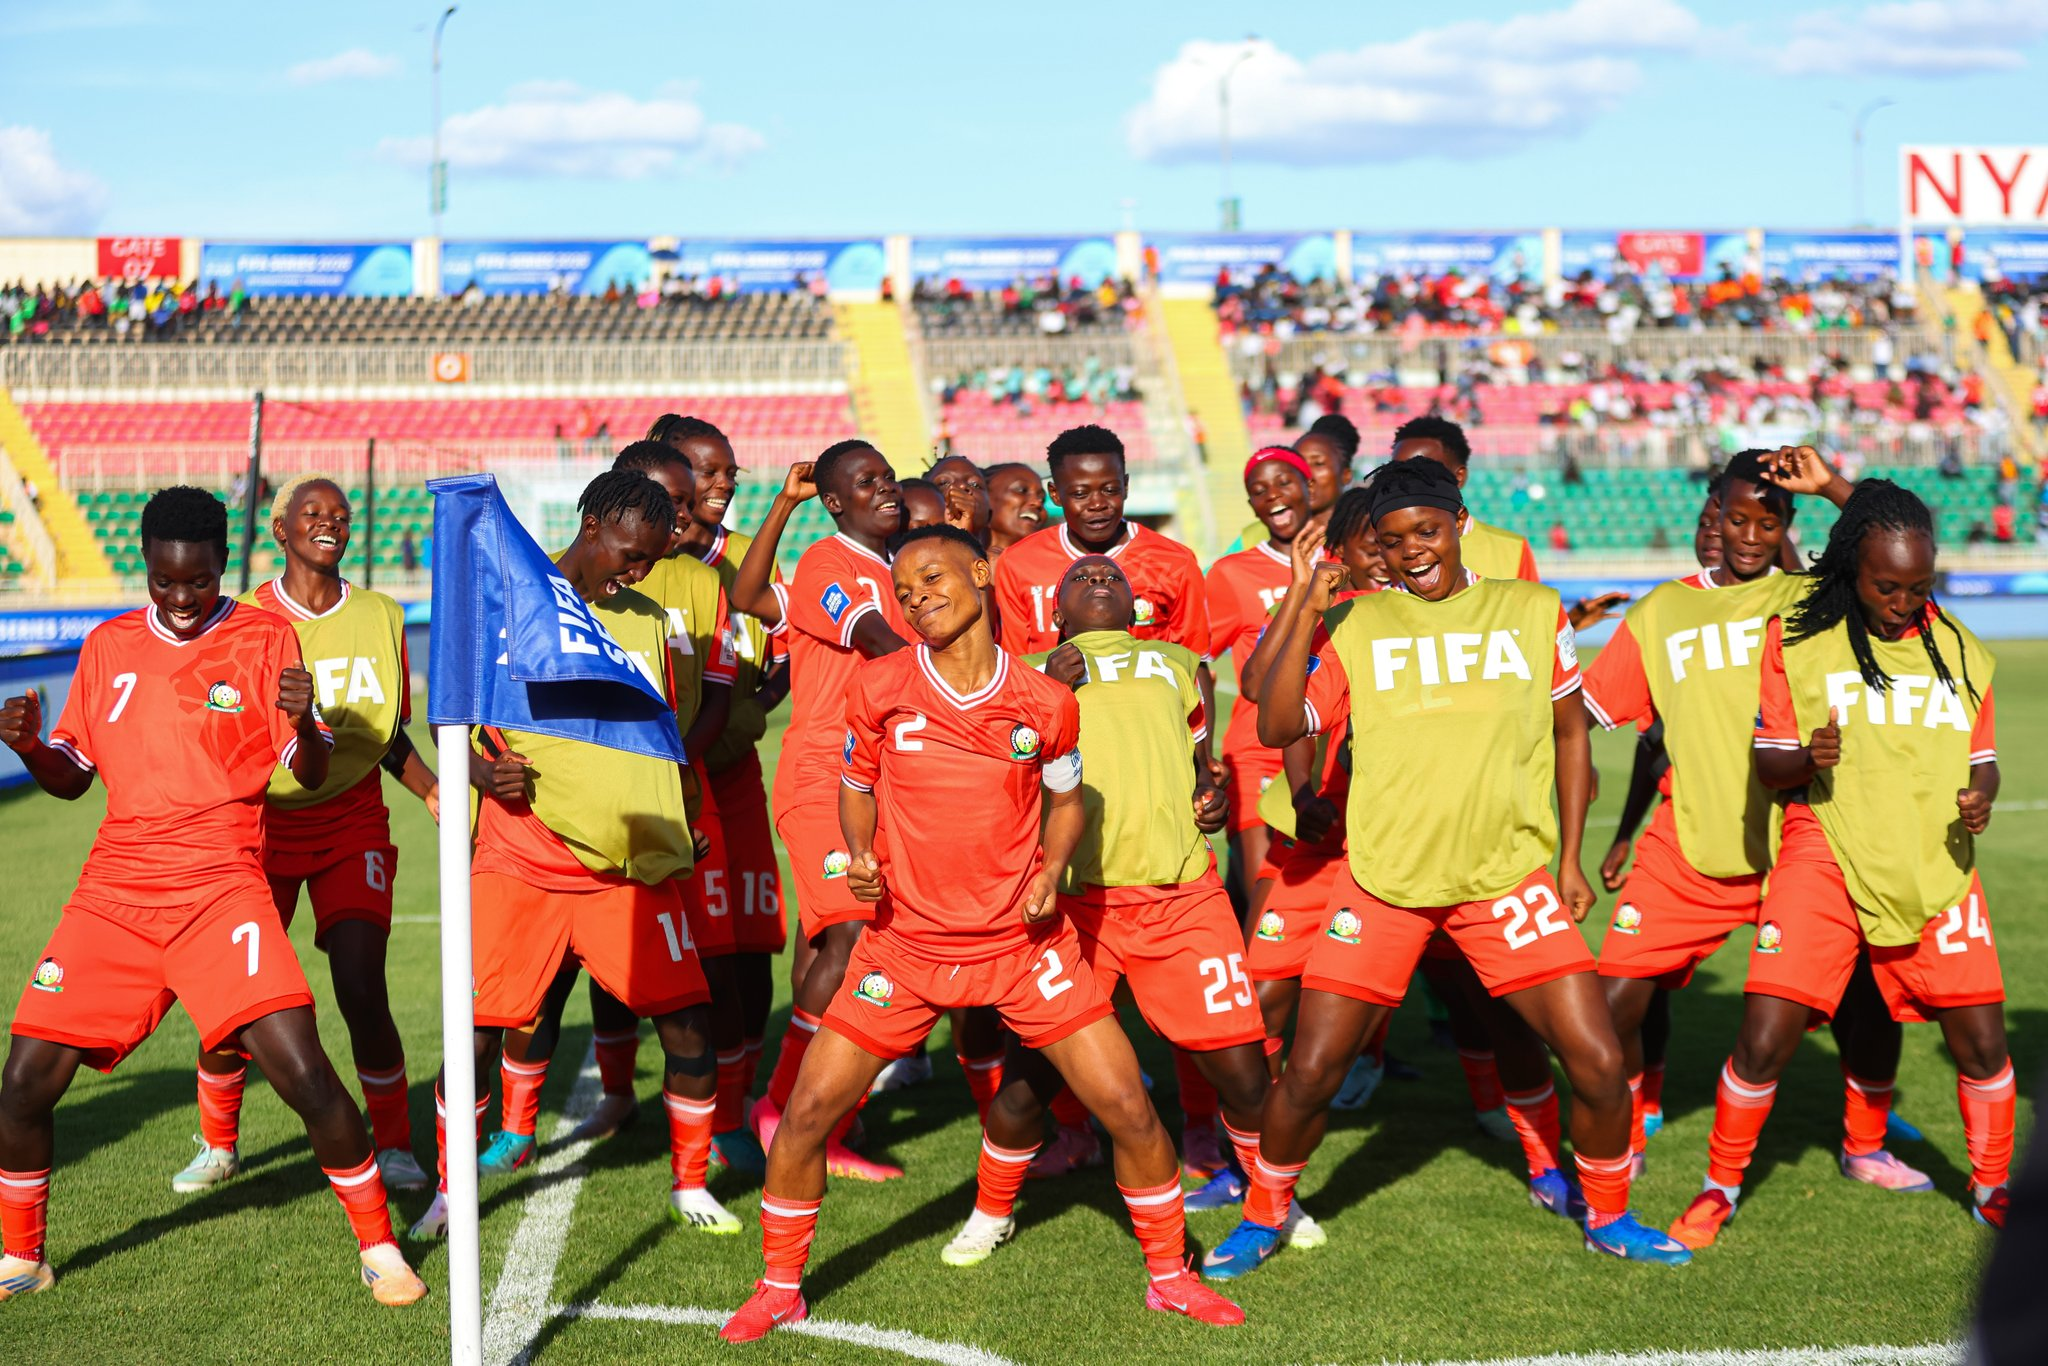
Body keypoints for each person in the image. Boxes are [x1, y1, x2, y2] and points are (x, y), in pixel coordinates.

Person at [719, 527, 1244, 1341]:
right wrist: (860, 855)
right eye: (903, 586)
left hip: (1023, 951)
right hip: (905, 948)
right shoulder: (881, 686)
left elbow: (1068, 799)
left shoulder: (1045, 702)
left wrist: (1050, 870)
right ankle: (779, 1286)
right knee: (806, 1115)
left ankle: (1170, 1278)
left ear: (983, 572)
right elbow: (855, 786)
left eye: (933, 576)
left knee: (1132, 1112)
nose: (917, 594)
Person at [1207, 460, 1691, 1278]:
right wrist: (1304, 601)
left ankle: (1609, 1215)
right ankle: (1264, 1214)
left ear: (1460, 523)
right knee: (1315, 1071)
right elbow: (1280, 715)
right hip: (1384, 884)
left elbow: (1571, 737)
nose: (1411, 553)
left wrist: (1569, 857)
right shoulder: (1360, 622)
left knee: (1601, 1061)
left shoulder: (1533, 611)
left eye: (1425, 533)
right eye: (1392, 542)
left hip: (1504, 878)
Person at [0, 486, 425, 1305]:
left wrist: (306, 726)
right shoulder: (107, 647)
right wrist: (27, 747)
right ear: (148, 569)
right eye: (166, 582)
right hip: (114, 895)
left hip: (222, 890)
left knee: (303, 1071)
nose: (183, 599)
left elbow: (305, 769)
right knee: (23, 1082)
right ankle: (22, 1255)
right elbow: (72, 777)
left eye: (197, 581)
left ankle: (379, 1246)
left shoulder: (268, 638)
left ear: (223, 564)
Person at [1580, 450, 1940, 1190]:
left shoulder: (1815, 600)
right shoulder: (1661, 610)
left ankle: (1865, 1141)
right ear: (1712, 514)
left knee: (1864, 1000)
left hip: (1810, 849)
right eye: (1733, 516)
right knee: (1610, 1002)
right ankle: (1622, 1125)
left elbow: (1889, 546)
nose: (1745, 533)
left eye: (1765, 519)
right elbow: (1583, 717)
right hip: (1690, 849)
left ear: (1785, 524)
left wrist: (1833, 484)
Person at [1669, 481, 2013, 1247]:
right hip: (1822, 851)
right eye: (1886, 586)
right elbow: (1769, 764)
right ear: (1852, 571)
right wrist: (1805, 758)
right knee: (1764, 1034)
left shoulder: (1961, 649)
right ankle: (1718, 1189)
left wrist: (1980, 796)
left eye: (1919, 586)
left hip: (1935, 859)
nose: (1902, 600)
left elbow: (1983, 758)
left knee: (1982, 1042)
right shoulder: (1797, 640)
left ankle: (1992, 1188)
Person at [940, 554, 1293, 1266]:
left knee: (1245, 1072)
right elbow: (987, 771)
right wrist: (1041, 687)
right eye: (1080, 577)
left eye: (1112, 576)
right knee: (1030, 1078)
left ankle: (1274, 1205)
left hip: (1182, 900)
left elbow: (1201, 769)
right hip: (1072, 909)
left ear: (1135, 602)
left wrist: (1210, 798)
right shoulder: (1022, 669)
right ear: (1056, 611)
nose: (1099, 578)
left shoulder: (1181, 663)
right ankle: (990, 1210)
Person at [409, 471, 730, 1240]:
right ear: (591, 525)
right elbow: (456, 717)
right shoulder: (508, 601)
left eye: (653, 558)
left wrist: (677, 815)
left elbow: (656, 737)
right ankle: (453, 1190)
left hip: (623, 865)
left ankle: (690, 1183)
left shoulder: (648, 619)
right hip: (522, 859)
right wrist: (482, 773)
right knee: (476, 1032)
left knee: (688, 1028)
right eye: (630, 551)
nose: (638, 571)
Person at [175, 476, 440, 1199]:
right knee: (235, 995)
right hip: (256, 825)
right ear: (280, 528)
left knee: (361, 983)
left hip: (351, 817)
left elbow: (384, 731)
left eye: (341, 515)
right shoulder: (242, 618)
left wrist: (430, 788)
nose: (330, 524)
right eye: (312, 513)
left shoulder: (382, 615)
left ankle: (395, 1145)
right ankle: (219, 1142)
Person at [990, 425, 1222, 1175]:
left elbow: (1194, 679)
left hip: (1149, 797)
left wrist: (1201, 775)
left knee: (1182, 1006)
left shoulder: (1172, 562)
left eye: (1111, 487)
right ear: (1054, 491)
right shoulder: (1020, 565)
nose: (1098, 502)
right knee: (1054, 995)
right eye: (1080, 490)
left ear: (1128, 481)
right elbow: (1009, 676)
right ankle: (1073, 1127)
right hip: (1055, 795)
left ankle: (1198, 1129)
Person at [729, 443, 916, 1182]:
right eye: (867, 482)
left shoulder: (900, 568)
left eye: (889, 476)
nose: (886, 488)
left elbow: (754, 600)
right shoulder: (830, 564)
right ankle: (780, 1106)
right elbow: (881, 643)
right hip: (824, 776)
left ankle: (831, 1115)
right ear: (834, 502)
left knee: (859, 947)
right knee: (848, 934)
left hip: (886, 781)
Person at [650, 415, 792, 1170]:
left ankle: (735, 1106)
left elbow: (800, 637)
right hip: (656, 776)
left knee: (745, 945)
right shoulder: (640, 562)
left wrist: (763, 705)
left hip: (728, 775)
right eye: (707, 473)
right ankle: (609, 1092)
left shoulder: (743, 566)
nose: (721, 486)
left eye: (729, 474)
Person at [1205, 447, 1315, 907]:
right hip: (1259, 752)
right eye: (1259, 490)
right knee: (1266, 901)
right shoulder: (1233, 573)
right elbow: (1195, 660)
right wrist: (1199, 754)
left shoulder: (1350, 556)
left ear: (1309, 486)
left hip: (1333, 751)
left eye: (1284, 482)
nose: (1274, 495)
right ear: (1251, 506)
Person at [1390, 414, 1540, 581]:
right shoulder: (1374, 548)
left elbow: (1533, 606)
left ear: (1459, 476)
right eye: (1399, 472)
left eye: (1426, 473)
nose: (1409, 483)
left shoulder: (1511, 550)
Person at [1229, 416, 1354, 551]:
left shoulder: (1365, 531)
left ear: (1345, 474)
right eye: (1299, 465)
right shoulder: (1252, 538)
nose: (1307, 472)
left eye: (1318, 463)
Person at [983, 462, 1048, 556]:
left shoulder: (1057, 567)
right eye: (1021, 491)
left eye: (1042, 499)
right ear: (985, 498)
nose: (1037, 503)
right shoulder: (959, 563)